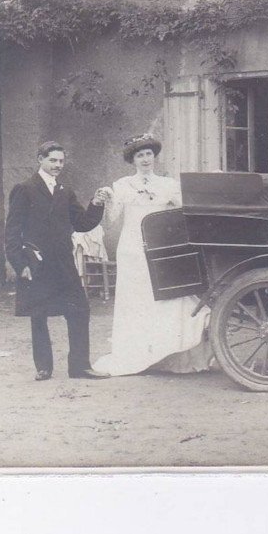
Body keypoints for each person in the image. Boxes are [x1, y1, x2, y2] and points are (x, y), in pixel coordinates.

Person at [92, 135, 212, 376]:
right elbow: (112, 220)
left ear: (154, 156)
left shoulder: (167, 184)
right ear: (132, 160)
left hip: (159, 247)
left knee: (166, 297)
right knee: (137, 301)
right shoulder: (123, 185)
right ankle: (139, 353)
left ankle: (169, 354)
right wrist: (105, 199)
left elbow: (184, 211)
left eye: (148, 154)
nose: (145, 159)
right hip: (132, 249)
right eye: (140, 155)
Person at [4, 141, 110, 381]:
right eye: (53, 160)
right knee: (38, 314)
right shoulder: (24, 188)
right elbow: (12, 232)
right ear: (40, 159)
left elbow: (82, 223)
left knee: (79, 310)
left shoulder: (65, 191)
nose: (57, 165)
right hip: (37, 262)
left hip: (63, 263)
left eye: (61, 161)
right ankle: (43, 368)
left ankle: (80, 366)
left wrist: (96, 203)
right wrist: (21, 265)